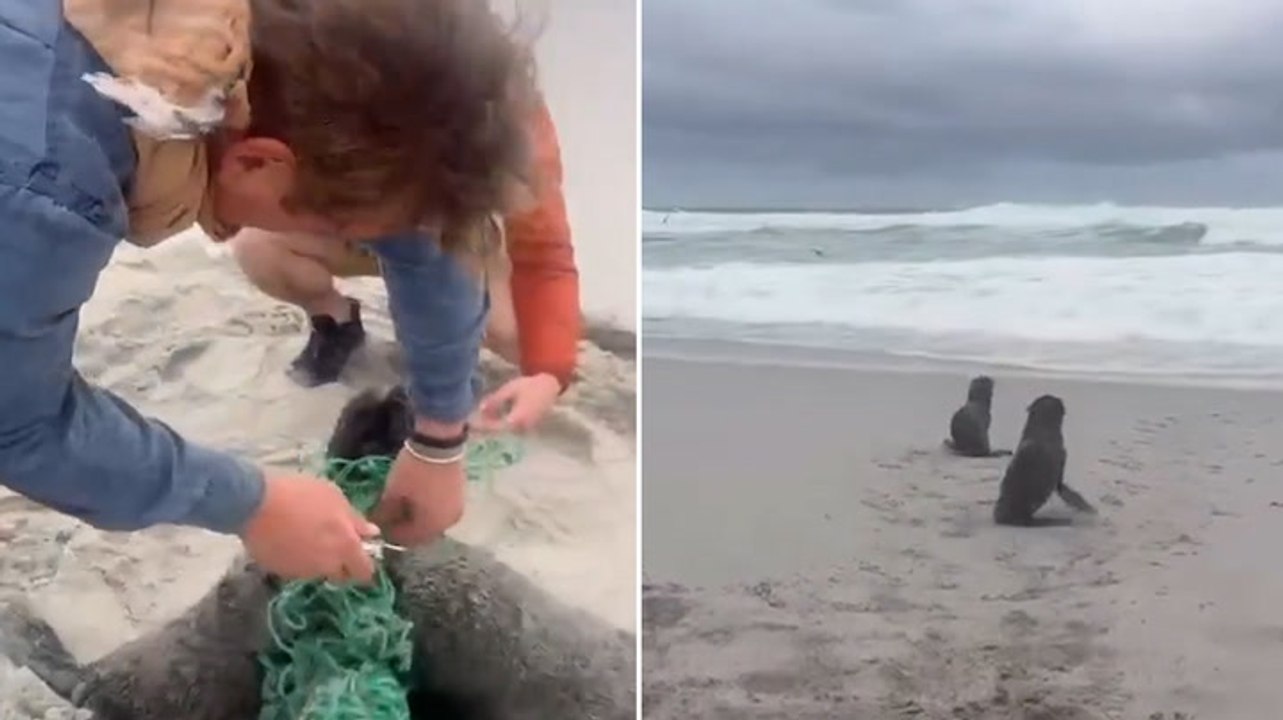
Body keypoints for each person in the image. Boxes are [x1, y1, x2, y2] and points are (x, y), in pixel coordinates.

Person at [0, 0, 536, 584]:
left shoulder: (206, 37)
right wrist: (251, 504)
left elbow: (420, 239)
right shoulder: (42, 185)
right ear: (257, 164)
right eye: (344, 230)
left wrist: (439, 436)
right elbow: (19, 422)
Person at [229, 97, 581, 433]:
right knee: (257, 245)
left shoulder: (507, 102)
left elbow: (545, 249)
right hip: (361, 216)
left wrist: (550, 372)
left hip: (457, 231)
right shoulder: (326, 71)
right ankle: (335, 324)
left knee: (512, 337)